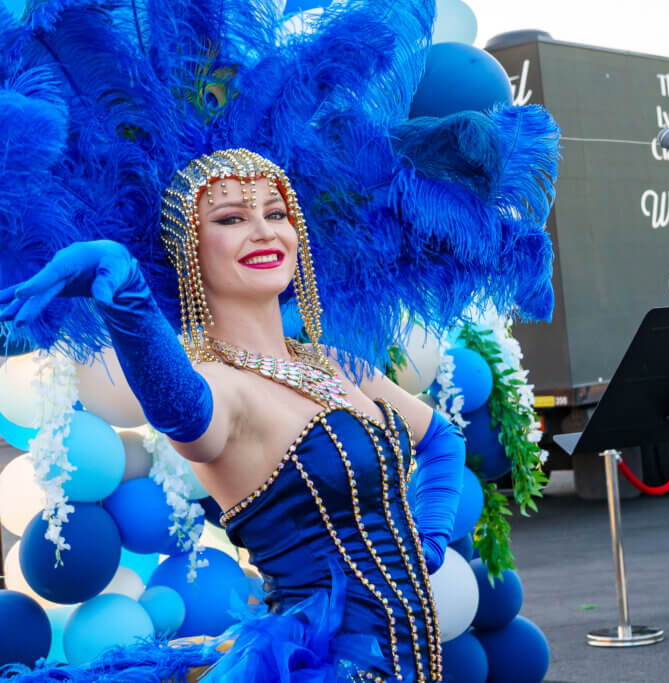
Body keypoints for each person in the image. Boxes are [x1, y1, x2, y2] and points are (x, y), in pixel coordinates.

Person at [0, 1, 559, 680]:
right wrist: (122, 288)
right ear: (189, 250)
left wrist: (430, 533)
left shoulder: (322, 362)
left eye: (277, 212)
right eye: (232, 218)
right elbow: (184, 413)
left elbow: (438, 437)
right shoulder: (219, 389)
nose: (265, 231)